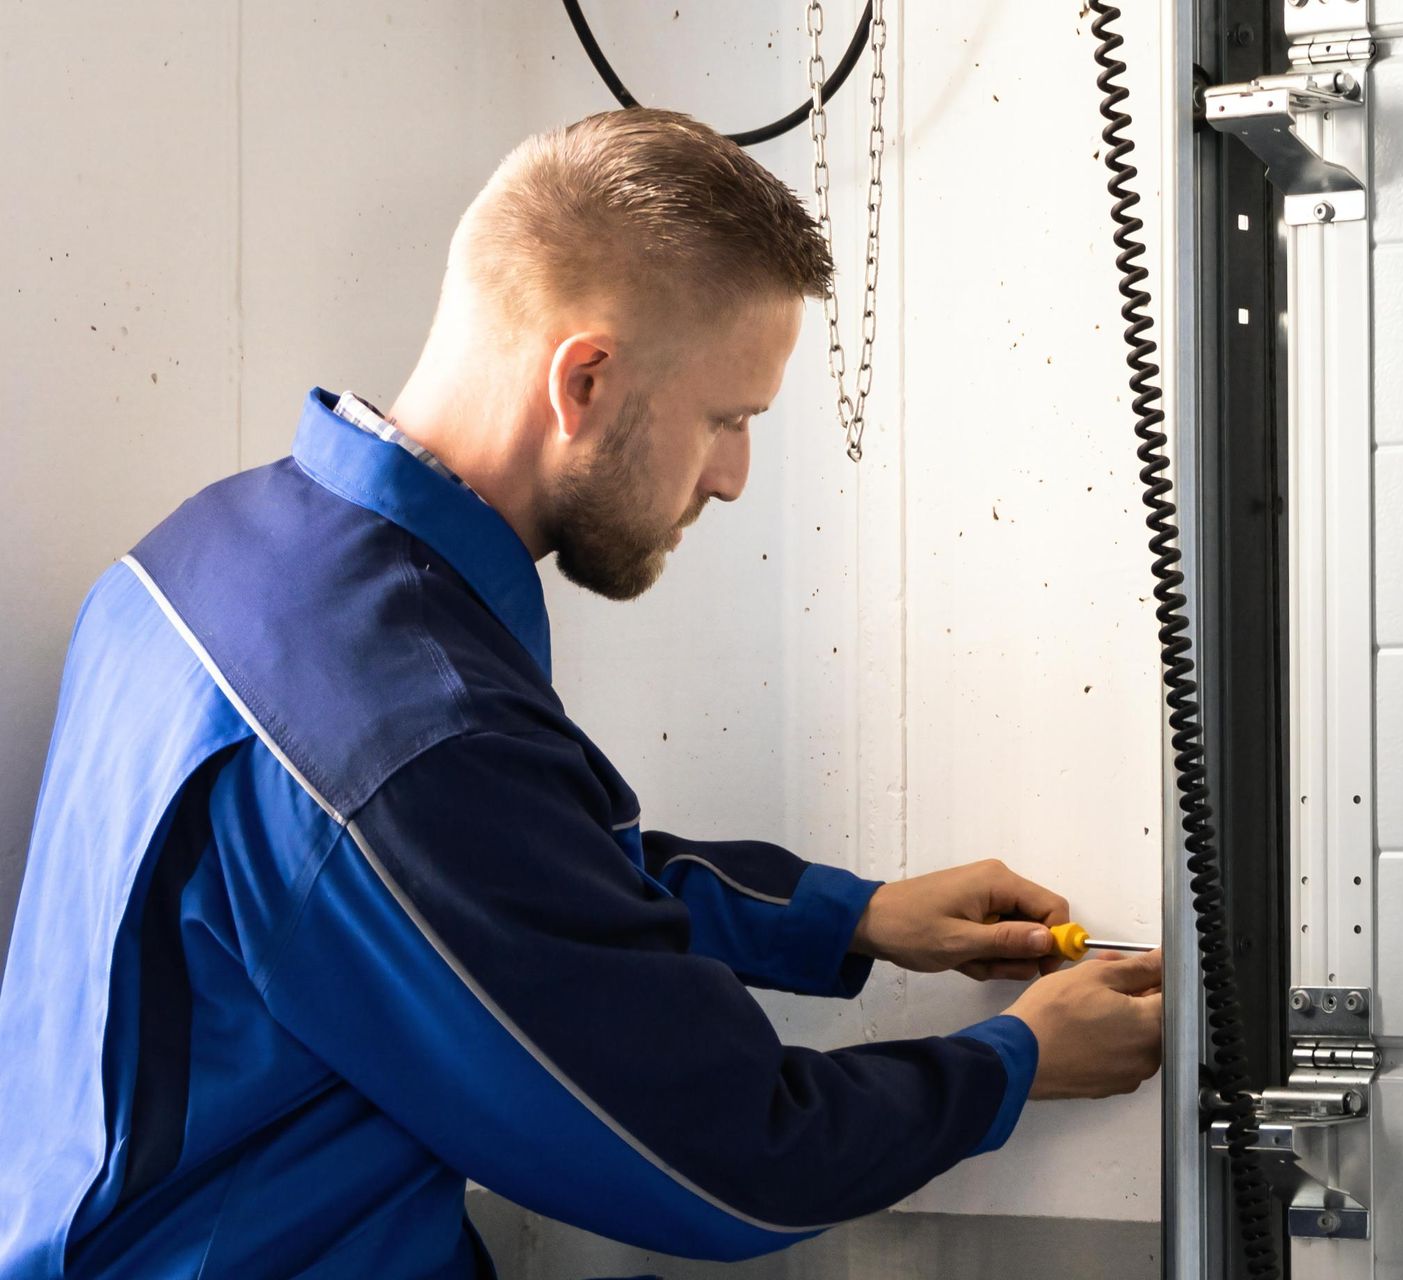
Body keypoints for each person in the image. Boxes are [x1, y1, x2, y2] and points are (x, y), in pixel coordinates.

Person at [0, 108, 1164, 1279]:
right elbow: (733, 1159)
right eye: (727, 418)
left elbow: (516, 889)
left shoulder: (207, 553)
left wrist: (849, 917)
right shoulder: (407, 732)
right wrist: (1016, 1059)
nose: (734, 475)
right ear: (587, 379)